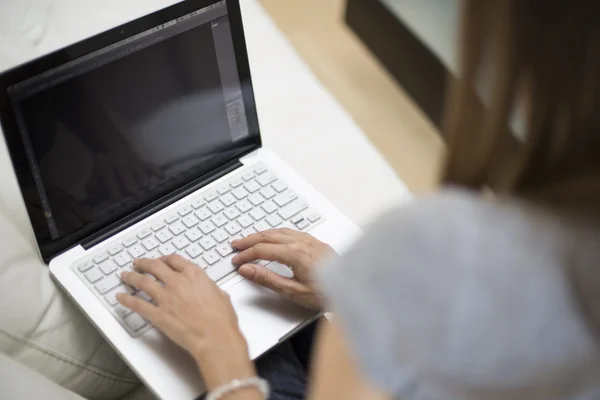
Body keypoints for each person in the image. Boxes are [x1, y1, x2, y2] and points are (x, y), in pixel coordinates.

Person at [113, 1, 600, 399]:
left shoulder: (441, 245)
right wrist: (358, 295)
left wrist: (219, 349)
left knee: (256, 333)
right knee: (275, 304)